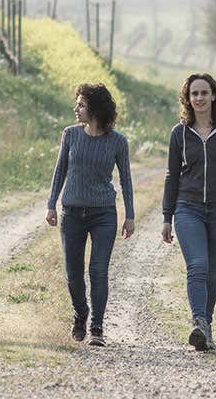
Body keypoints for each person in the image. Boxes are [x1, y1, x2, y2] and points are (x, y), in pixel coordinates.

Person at [45, 83, 135, 346]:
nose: (76, 108)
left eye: (81, 105)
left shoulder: (118, 141)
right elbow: (60, 171)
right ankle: (81, 313)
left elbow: (126, 180)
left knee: (98, 270)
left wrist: (130, 215)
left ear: (95, 108)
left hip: (103, 214)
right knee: (73, 274)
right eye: (77, 103)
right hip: (71, 213)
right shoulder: (70, 135)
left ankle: (97, 327)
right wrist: (51, 204)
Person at [161, 73, 216, 352]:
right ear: (187, 98)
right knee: (197, 265)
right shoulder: (179, 133)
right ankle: (198, 322)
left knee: (212, 272)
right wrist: (166, 217)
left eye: (204, 93)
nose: (199, 98)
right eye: (194, 93)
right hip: (188, 208)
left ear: (213, 96)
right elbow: (172, 176)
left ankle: (205, 330)